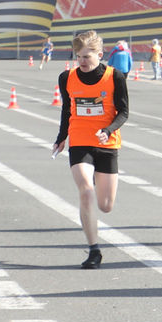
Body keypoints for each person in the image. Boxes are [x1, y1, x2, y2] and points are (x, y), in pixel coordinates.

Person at [51, 30, 127, 270]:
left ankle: (98, 178)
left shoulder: (115, 77)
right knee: (85, 192)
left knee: (105, 205)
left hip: (106, 143)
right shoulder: (67, 77)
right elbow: (66, 110)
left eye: (86, 56)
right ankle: (94, 250)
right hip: (80, 141)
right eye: (79, 56)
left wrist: (109, 129)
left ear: (100, 54)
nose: (82, 61)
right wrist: (61, 138)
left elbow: (124, 112)